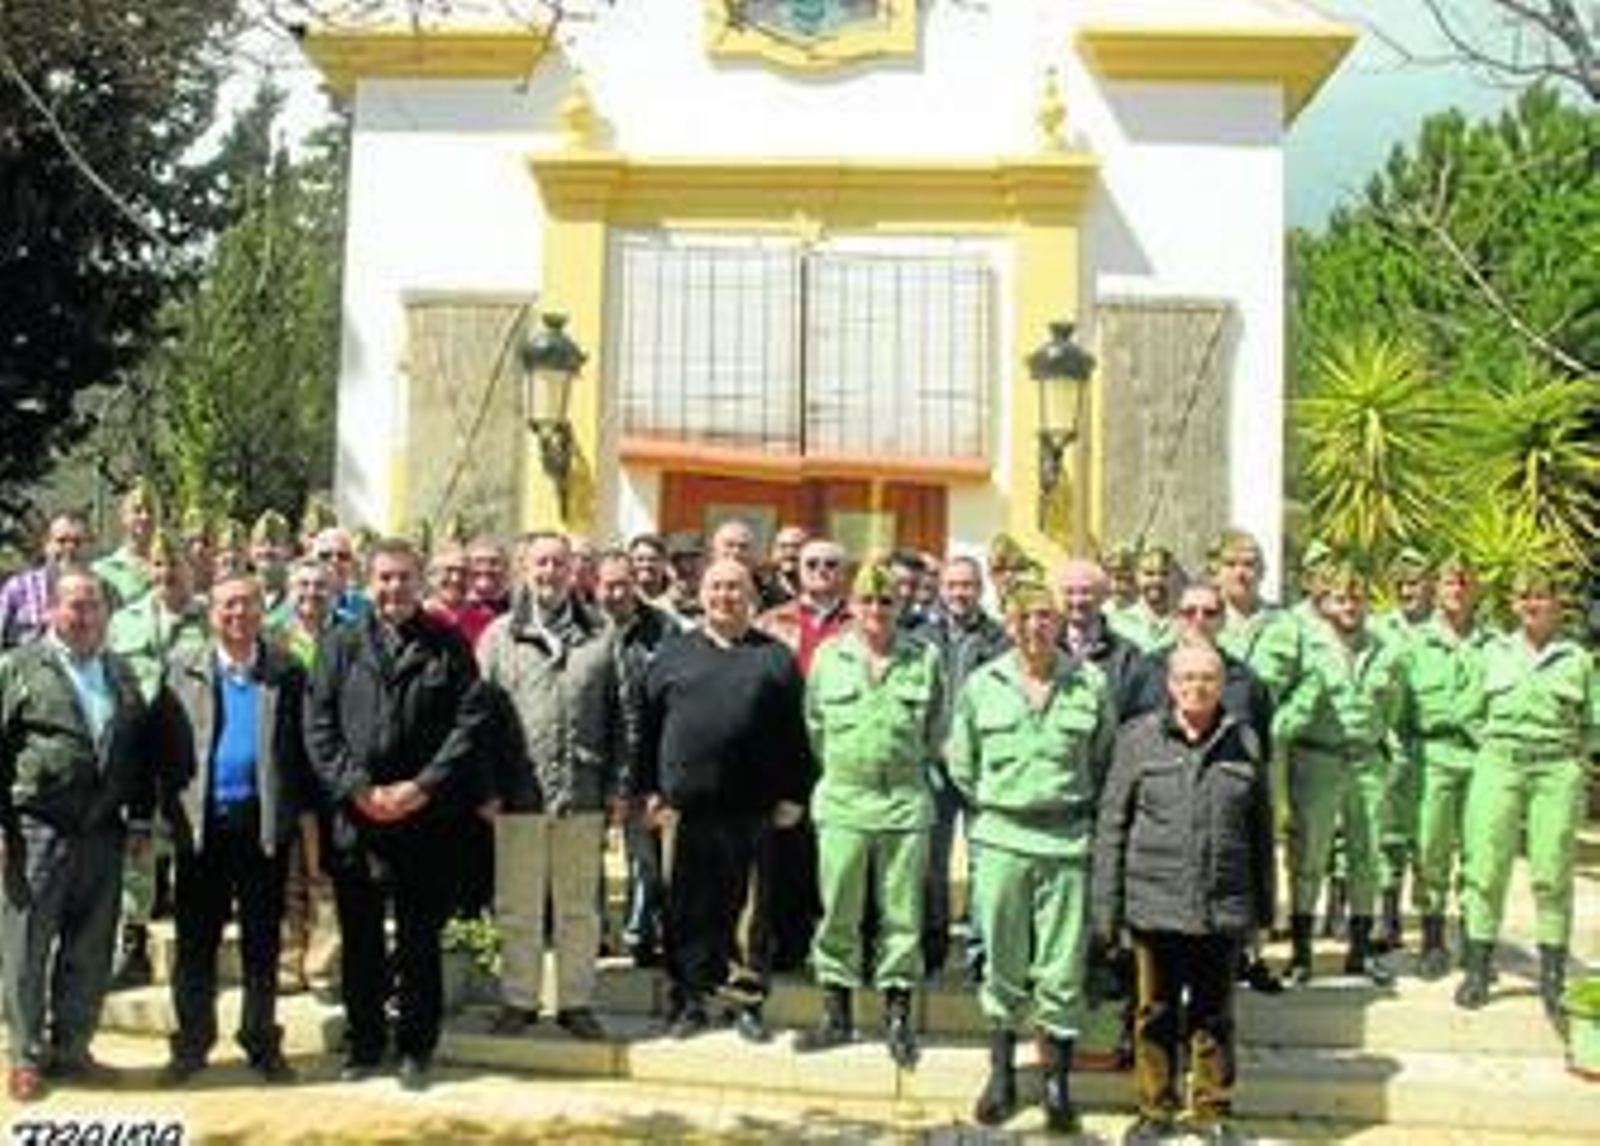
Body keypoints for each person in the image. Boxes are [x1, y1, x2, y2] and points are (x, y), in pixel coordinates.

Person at [305, 537, 489, 1090]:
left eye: (404, 577)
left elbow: (469, 724)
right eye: (384, 578)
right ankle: (364, 1044)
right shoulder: (339, 643)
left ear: (420, 582)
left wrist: (421, 787)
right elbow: (319, 726)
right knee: (359, 938)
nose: (393, 588)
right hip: (356, 821)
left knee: (418, 940)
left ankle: (415, 1047)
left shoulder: (449, 645)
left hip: (425, 820)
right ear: (367, 581)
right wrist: (358, 789)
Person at [947, 575, 1115, 1132]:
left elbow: (1104, 757)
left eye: (1045, 616)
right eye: (1023, 618)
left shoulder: (1088, 683)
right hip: (1001, 840)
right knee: (1002, 961)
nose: (1035, 627)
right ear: (1009, 624)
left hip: (1066, 840)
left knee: (1062, 966)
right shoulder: (981, 685)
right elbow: (962, 762)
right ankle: (1001, 1075)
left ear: (1059, 621)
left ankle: (1056, 1082)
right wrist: (1001, 806)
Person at [1094, 643, 1275, 1144]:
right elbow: (1112, 825)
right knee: (1154, 1012)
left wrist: (1263, 911)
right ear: (1170, 684)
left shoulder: (1246, 742)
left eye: (1208, 679)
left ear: (1222, 685)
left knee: (1215, 1014)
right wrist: (1104, 912)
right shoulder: (1138, 740)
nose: (1197, 687)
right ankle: (1155, 1108)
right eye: (1187, 678)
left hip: (1222, 903)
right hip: (1155, 903)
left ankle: (1212, 1108)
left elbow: (1262, 832)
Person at [638, 558, 813, 1042]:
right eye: (716, 587)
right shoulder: (671, 656)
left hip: (754, 809)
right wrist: (648, 790)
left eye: (735, 588)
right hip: (683, 809)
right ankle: (689, 999)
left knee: (749, 914)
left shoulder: (775, 658)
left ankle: (745, 1000)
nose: (724, 596)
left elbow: (796, 735)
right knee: (684, 908)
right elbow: (649, 730)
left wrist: (794, 793)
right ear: (701, 593)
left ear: (752, 597)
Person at [151, 574, 310, 1084]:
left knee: (263, 942)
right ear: (210, 614)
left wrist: (302, 821)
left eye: (246, 604)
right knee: (196, 942)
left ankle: (261, 1040)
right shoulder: (182, 668)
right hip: (201, 827)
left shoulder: (286, 670)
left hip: (262, 825)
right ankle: (192, 1044)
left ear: (263, 609)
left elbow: (302, 750)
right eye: (226, 606)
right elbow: (160, 743)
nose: (236, 614)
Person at [0, 566, 151, 1102]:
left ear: (107, 614)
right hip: (35, 829)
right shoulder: (18, 667)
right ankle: (24, 1055)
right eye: (74, 605)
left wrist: (138, 818)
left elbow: (138, 751)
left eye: (93, 606)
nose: (84, 615)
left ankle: (72, 1049)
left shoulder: (121, 672)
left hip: (103, 832)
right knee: (27, 948)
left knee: (89, 948)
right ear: (50, 610)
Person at [479, 532, 633, 1041]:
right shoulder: (499, 636)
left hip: (582, 791)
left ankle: (575, 1002)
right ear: (525, 569)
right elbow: (476, 718)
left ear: (574, 572)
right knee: (518, 905)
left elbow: (622, 717)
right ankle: (518, 1001)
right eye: (541, 563)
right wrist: (486, 786)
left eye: (559, 564)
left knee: (578, 908)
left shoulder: (602, 634)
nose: (549, 573)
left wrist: (618, 786)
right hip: (516, 794)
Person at [797, 561, 942, 1067]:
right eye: (867, 602)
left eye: (886, 602)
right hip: (844, 801)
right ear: (852, 606)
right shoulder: (828, 659)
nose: (877, 611)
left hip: (903, 803)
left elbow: (935, 731)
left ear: (900, 606)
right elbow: (815, 727)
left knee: (902, 914)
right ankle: (835, 1014)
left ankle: (897, 1017)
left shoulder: (925, 659)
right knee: (838, 906)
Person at [1456, 567, 1597, 1027]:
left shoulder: (1577, 659)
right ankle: (1478, 969)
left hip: (1555, 769)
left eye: (1541, 597)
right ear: (1513, 605)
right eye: (1523, 598)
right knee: (1485, 865)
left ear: (1558, 604)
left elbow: (1593, 723)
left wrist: (1573, 760)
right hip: (1499, 764)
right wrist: (1496, 748)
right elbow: (1469, 711)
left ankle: (1553, 976)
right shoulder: (1491, 653)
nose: (1532, 605)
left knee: (1552, 870)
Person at [1285, 566, 1406, 986]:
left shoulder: (1386, 649)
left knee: (1366, 856)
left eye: (1356, 599)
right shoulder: (1306, 645)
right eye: (1340, 598)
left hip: (1367, 762)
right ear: (1325, 603)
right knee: (1309, 857)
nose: (1349, 606)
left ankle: (1359, 950)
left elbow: (1391, 709)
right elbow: (1291, 704)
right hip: (1318, 761)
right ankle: (1302, 954)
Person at [105, 530, 211, 990]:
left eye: (177, 566)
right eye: (159, 566)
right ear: (148, 569)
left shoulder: (209, 619)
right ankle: (134, 944)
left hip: (193, 749)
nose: (168, 574)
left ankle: (193, 950)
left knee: (193, 850)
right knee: (137, 848)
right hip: (138, 752)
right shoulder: (124, 620)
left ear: (192, 569)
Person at [912, 554, 1010, 978]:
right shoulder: (919, 636)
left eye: (967, 585)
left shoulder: (1000, 639)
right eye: (952, 585)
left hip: (984, 767)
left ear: (980, 587)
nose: (959, 593)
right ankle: (932, 943)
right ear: (941, 588)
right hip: (931, 765)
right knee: (930, 861)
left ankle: (980, 950)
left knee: (983, 861)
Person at [1403, 556, 1491, 979]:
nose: (1456, 589)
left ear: (1475, 590)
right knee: (1430, 849)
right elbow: (1397, 708)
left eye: (1463, 582)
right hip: (1430, 756)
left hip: (1481, 759)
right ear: (1435, 589)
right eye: (1448, 582)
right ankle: (1433, 939)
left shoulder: (1496, 645)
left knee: (1481, 853)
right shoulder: (1413, 644)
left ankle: (1476, 946)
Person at [594, 548, 683, 968]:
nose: (614, 593)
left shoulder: (664, 630)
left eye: (622, 584)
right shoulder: (583, 627)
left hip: (645, 763)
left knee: (643, 860)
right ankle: (594, 935)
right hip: (592, 763)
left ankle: (640, 934)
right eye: (607, 584)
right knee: (585, 858)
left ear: (637, 582)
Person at [269, 558, 340, 997]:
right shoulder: (272, 641)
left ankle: (323, 966)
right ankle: (287, 962)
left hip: (329, 771)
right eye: (303, 585)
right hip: (284, 768)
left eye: (319, 586)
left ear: (332, 592)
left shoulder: (346, 637)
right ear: (290, 590)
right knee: (285, 873)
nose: (311, 593)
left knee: (324, 873)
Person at [0, 511, 92, 649]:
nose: (70, 548)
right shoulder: (18, 588)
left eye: (77, 542)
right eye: (61, 541)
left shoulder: (101, 592)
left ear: (89, 547)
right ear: (46, 545)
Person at [93, 481, 159, 610]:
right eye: (137, 510)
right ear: (123, 516)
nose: (145, 517)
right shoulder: (104, 570)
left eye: (150, 510)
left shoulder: (173, 566)